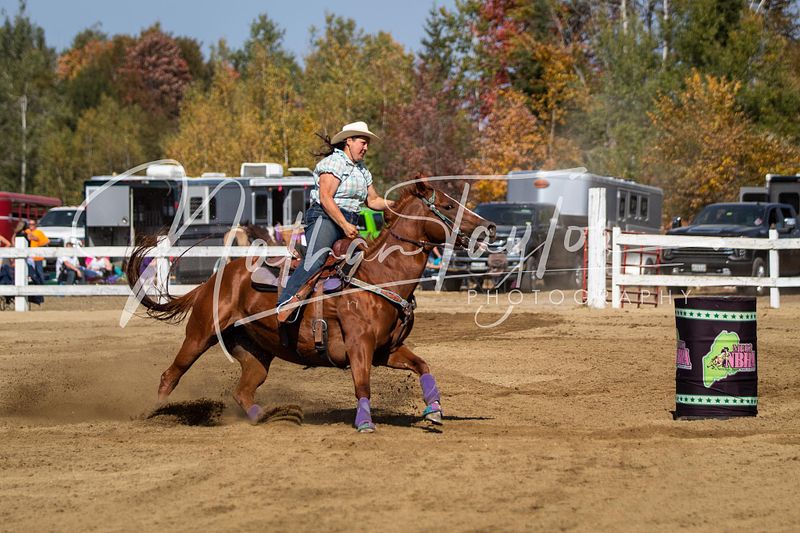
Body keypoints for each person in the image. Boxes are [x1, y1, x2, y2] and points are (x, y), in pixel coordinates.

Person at [276, 121, 393, 322]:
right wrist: (344, 225)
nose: (366, 147)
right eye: (363, 142)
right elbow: (325, 197)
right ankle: (284, 302)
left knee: (368, 260)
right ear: (349, 141)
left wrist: (400, 204)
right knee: (316, 258)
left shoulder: (362, 170)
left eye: (367, 144)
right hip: (325, 217)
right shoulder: (334, 163)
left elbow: (373, 201)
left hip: (348, 221)